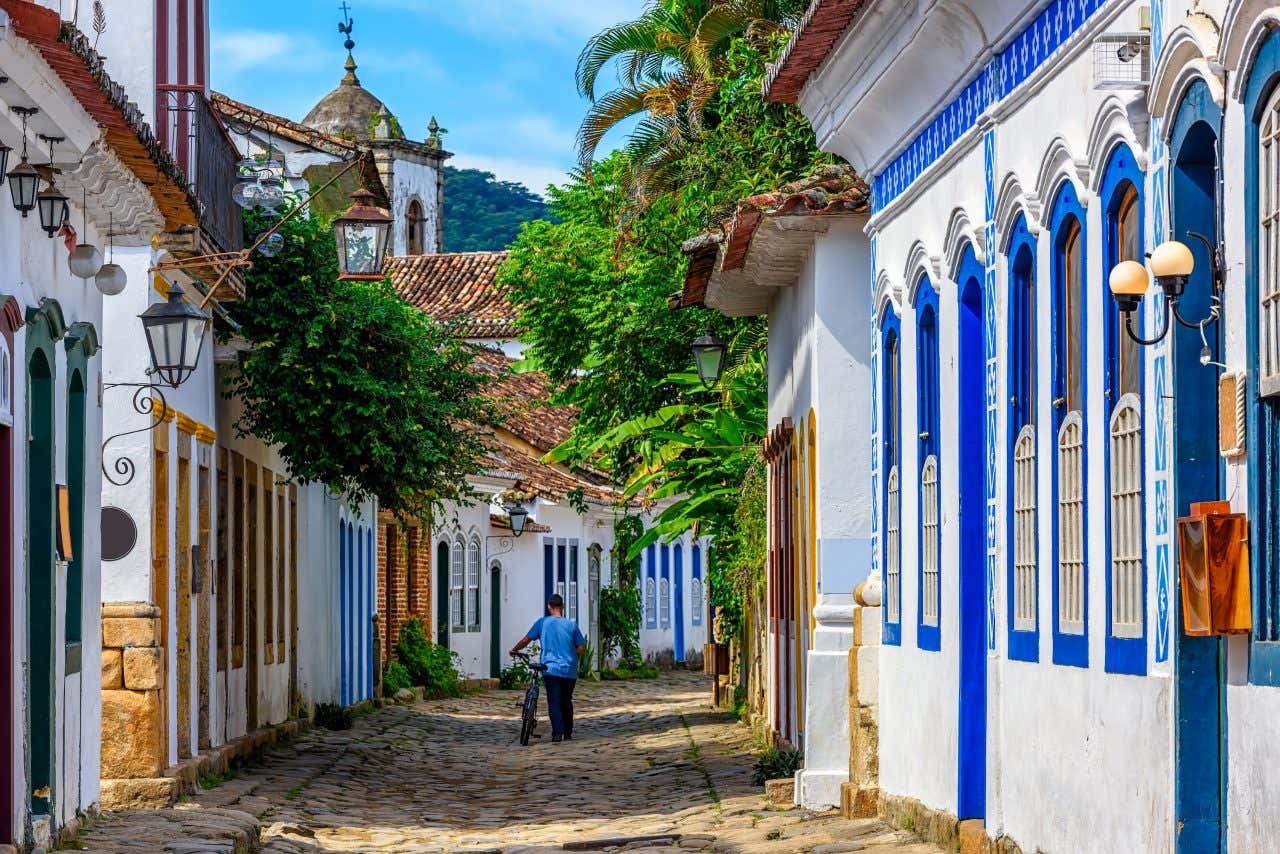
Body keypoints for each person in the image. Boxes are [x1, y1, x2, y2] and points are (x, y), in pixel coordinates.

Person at [510, 593, 585, 743]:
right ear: (562, 607)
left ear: (549, 607)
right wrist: (571, 654)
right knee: (566, 701)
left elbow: (526, 640)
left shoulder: (542, 623)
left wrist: (515, 649)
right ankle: (568, 732)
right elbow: (581, 648)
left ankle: (557, 733)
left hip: (550, 669)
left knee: (554, 701)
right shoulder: (572, 625)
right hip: (569, 670)